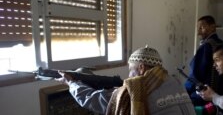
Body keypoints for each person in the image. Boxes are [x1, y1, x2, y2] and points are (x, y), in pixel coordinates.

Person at [56, 46, 196, 115]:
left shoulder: (134, 90)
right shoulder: (174, 80)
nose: (128, 75)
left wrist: (71, 83)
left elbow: (91, 99)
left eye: (131, 69)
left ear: (141, 68)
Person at [185, 15, 223, 107]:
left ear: (213, 27)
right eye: (198, 28)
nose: (199, 32)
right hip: (221, 96)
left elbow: (195, 75)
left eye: (202, 27)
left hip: (204, 97)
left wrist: (185, 92)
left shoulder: (206, 46)